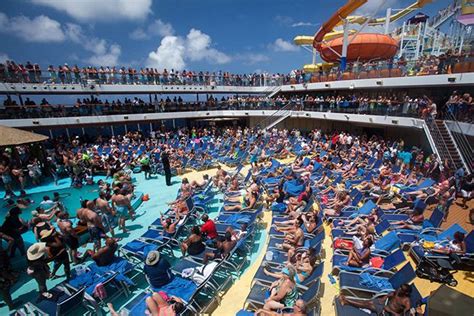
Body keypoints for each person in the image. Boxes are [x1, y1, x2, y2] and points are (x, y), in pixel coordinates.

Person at [339, 283, 412, 315]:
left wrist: (390, 311)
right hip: (384, 304)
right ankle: (346, 301)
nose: (399, 289)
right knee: (367, 302)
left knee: (368, 305)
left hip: (386, 313)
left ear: (406, 293)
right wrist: (384, 298)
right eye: (400, 287)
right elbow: (389, 295)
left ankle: (346, 301)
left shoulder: (406, 302)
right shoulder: (398, 292)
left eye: (402, 289)